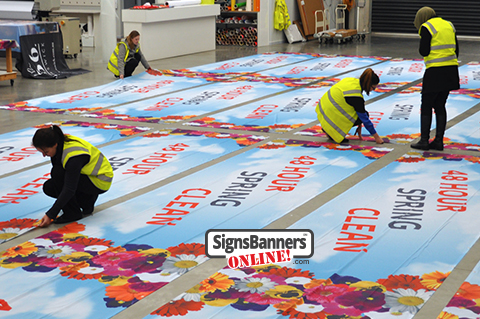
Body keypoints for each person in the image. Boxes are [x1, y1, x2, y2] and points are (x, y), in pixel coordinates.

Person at [32, 125, 114, 227]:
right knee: (49, 187)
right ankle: (86, 202)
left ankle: (72, 213)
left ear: (55, 145)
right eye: (42, 152)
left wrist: (51, 214)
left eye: (46, 152)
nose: (44, 155)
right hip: (89, 177)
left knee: (57, 173)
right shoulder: (60, 143)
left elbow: (69, 188)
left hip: (99, 181)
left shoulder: (73, 156)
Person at [411, 7, 459, 151]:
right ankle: (439, 141)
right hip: (451, 70)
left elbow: (424, 51)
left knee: (426, 105)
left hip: (434, 71)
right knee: (440, 105)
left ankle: (424, 141)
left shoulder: (426, 27)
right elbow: (457, 49)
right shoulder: (449, 24)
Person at [316, 68, 384, 144]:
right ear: (368, 84)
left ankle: (327, 129)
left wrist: (359, 126)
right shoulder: (356, 97)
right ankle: (332, 133)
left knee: (360, 113)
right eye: (373, 87)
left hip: (323, 107)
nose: (373, 90)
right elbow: (364, 118)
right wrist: (376, 137)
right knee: (364, 115)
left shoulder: (351, 81)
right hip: (330, 111)